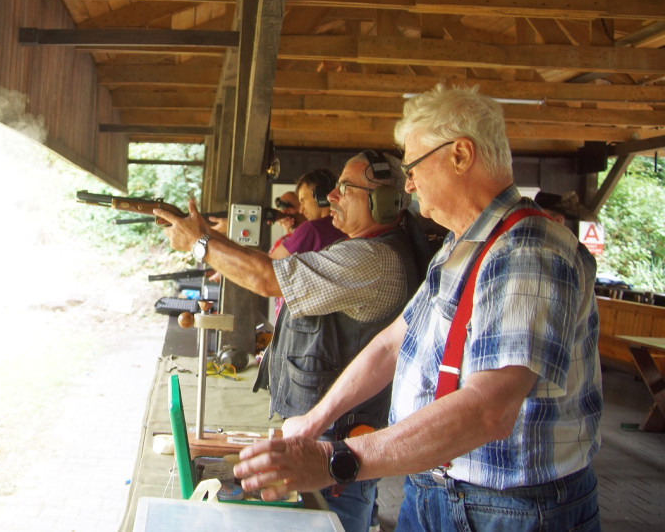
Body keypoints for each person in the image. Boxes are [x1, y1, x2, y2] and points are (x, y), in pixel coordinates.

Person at [233, 84, 602, 532]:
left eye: (414, 166)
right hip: (438, 490)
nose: (408, 183)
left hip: (508, 509)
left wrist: (337, 461)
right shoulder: (459, 245)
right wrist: (314, 421)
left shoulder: (527, 250)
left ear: (461, 155)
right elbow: (394, 342)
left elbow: (489, 410)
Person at [153, 152, 429, 532]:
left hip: (333, 453)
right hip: (327, 439)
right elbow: (273, 265)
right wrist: (207, 236)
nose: (331, 197)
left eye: (344, 189)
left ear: (383, 204)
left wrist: (201, 244)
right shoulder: (369, 249)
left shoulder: (373, 259)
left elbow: (269, 279)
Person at [268, 168, 345, 260]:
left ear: (321, 196)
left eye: (303, 200)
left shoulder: (311, 228)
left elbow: (270, 263)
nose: (301, 210)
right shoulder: (346, 224)